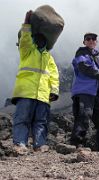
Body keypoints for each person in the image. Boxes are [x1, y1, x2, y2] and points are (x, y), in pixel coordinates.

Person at [11, 11, 59, 155]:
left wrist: (54, 91)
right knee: (22, 119)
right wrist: (26, 23)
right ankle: (20, 144)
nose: (40, 40)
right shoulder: (26, 50)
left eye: (43, 39)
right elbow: (25, 38)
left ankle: (40, 145)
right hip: (26, 92)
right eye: (37, 38)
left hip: (43, 95)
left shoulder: (48, 57)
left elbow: (54, 75)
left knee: (41, 121)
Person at [70, 32, 99, 151]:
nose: (91, 40)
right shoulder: (81, 53)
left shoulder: (97, 56)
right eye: (88, 39)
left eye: (93, 39)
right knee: (84, 116)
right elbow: (85, 68)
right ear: (84, 42)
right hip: (83, 91)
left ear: (96, 41)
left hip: (93, 93)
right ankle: (76, 144)